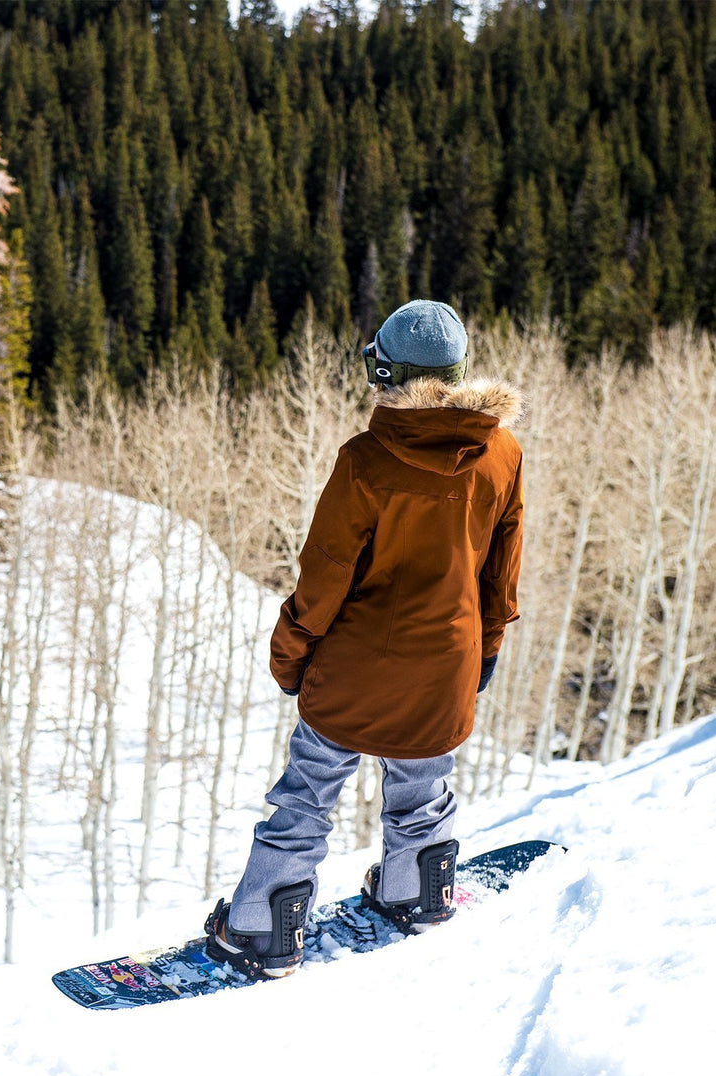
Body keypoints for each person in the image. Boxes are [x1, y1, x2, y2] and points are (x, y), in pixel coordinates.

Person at [205, 299, 525, 979]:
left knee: (308, 792)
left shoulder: (366, 462)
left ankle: (265, 928)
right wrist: (486, 648)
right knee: (423, 782)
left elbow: (323, 579)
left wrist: (289, 656)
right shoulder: (502, 453)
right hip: (446, 662)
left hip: (354, 668)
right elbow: (501, 571)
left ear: (391, 375)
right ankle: (418, 892)